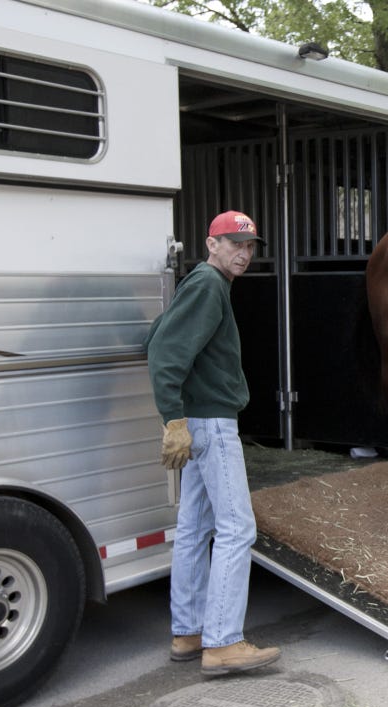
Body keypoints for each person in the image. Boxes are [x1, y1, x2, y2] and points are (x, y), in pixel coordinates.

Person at [145, 210, 281, 676]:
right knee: (238, 529)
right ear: (212, 244)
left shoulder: (204, 284)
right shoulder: (207, 285)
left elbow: (156, 336)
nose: (244, 254)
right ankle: (223, 642)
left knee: (193, 530)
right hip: (212, 424)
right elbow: (165, 353)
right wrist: (173, 419)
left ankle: (188, 632)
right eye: (235, 244)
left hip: (200, 421)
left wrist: (179, 416)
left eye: (250, 246)